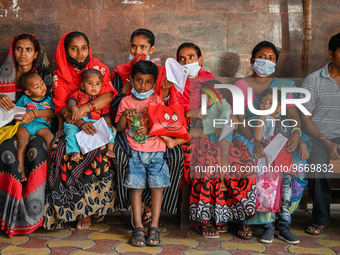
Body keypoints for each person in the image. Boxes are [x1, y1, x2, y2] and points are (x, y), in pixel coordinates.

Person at [230, 41, 308, 240]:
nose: (266, 61)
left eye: (271, 58)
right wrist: (256, 141)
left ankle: (281, 219)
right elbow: (239, 119)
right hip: (250, 134)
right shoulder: (241, 86)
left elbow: (292, 115)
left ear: (276, 63)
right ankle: (250, 218)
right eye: (261, 57)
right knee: (250, 160)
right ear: (252, 60)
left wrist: (297, 135)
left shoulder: (283, 86)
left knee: (294, 162)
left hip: (280, 134)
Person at [44, 31, 117, 230]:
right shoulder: (60, 76)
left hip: (98, 121)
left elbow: (108, 96)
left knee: (98, 151)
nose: (80, 53)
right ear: (65, 50)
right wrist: (79, 123)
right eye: (73, 48)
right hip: (71, 123)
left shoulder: (98, 68)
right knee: (63, 151)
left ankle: (97, 207)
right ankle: (73, 209)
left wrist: (85, 109)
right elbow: (61, 107)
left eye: (84, 47)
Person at [111, 29, 184, 223]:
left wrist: (166, 91)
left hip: (156, 134)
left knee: (176, 156)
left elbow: (166, 109)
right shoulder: (120, 71)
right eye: (134, 46)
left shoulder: (161, 74)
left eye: (143, 47)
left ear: (152, 49)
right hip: (129, 132)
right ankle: (136, 207)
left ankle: (154, 207)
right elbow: (115, 108)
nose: (137, 51)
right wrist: (124, 90)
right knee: (121, 156)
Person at [0, 33, 53, 237]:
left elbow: (54, 108)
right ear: (13, 51)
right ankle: (9, 215)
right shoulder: (4, 74)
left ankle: (33, 214)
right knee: (7, 152)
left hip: (39, 124)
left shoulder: (44, 77)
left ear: (36, 53)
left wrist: (34, 113)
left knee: (38, 150)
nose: (23, 54)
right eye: (19, 49)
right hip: (11, 127)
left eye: (28, 49)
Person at [116, 60, 169, 246]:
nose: (143, 85)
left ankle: (153, 226)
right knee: (135, 187)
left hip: (156, 151)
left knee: (157, 187)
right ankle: (138, 226)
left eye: (148, 82)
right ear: (131, 80)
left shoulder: (156, 99)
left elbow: (164, 123)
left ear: (154, 84)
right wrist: (124, 116)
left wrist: (149, 129)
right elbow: (120, 128)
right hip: (135, 152)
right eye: (138, 80)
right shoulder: (125, 101)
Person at [252, 88, 309, 244]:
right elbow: (257, 137)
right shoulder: (259, 121)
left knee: (285, 200)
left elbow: (295, 136)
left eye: (271, 103)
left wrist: (302, 143)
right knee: (269, 200)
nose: (266, 105)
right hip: (268, 171)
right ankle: (268, 228)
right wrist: (262, 117)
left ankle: (284, 229)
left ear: (279, 108)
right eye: (263, 102)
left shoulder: (285, 123)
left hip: (285, 169)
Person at [301, 33, 340, 235]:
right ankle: (321, 219)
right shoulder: (314, 80)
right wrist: (326, 142)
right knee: (317, 167)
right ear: (331, 54)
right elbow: (306, 120)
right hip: (319, 136)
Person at [63, 69, 115, 163]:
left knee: (109, 131)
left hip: (95, 123)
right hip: (76, 121)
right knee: (70, 132)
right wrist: (74, 109)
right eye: (90, 83)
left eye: (97, 84)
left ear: (102, 86)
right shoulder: (78, 93)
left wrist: (108, 125)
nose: (94, 86)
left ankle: (110, 149)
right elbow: (70, 102)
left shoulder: (101, 100)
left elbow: (106, 116)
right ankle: (74, 152)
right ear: (83, 85)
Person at [16, 72, 55, 182]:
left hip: (41, 126)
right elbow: (16, 112)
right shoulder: (24, 99)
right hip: (25, 125)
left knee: (50, 138)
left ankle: (50, 168)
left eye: (42, 83)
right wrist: (17, 119)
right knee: (21, 143)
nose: (42, 88)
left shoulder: (48, 100)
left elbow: (54, 113)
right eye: (36, 87)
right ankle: (21, 171)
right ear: (28, 92)